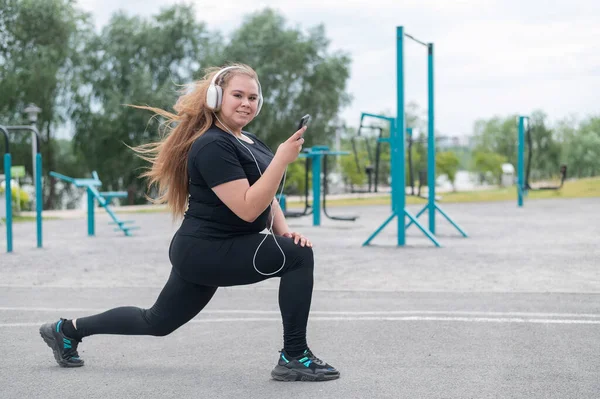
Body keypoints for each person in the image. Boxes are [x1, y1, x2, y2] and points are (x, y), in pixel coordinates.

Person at [39, 64, 340, 382]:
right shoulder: (212, 145)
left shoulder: (249, 140)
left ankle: (67, 330)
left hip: (212, 248)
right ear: (216, 97)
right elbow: (249, 209)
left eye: (253, 97)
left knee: (157, 322)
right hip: (206, 249)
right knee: (298, 258)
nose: (246, 103)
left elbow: (269, 197)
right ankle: (294, 356)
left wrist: (286, 234)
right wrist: (281, 160)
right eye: (237, 95)